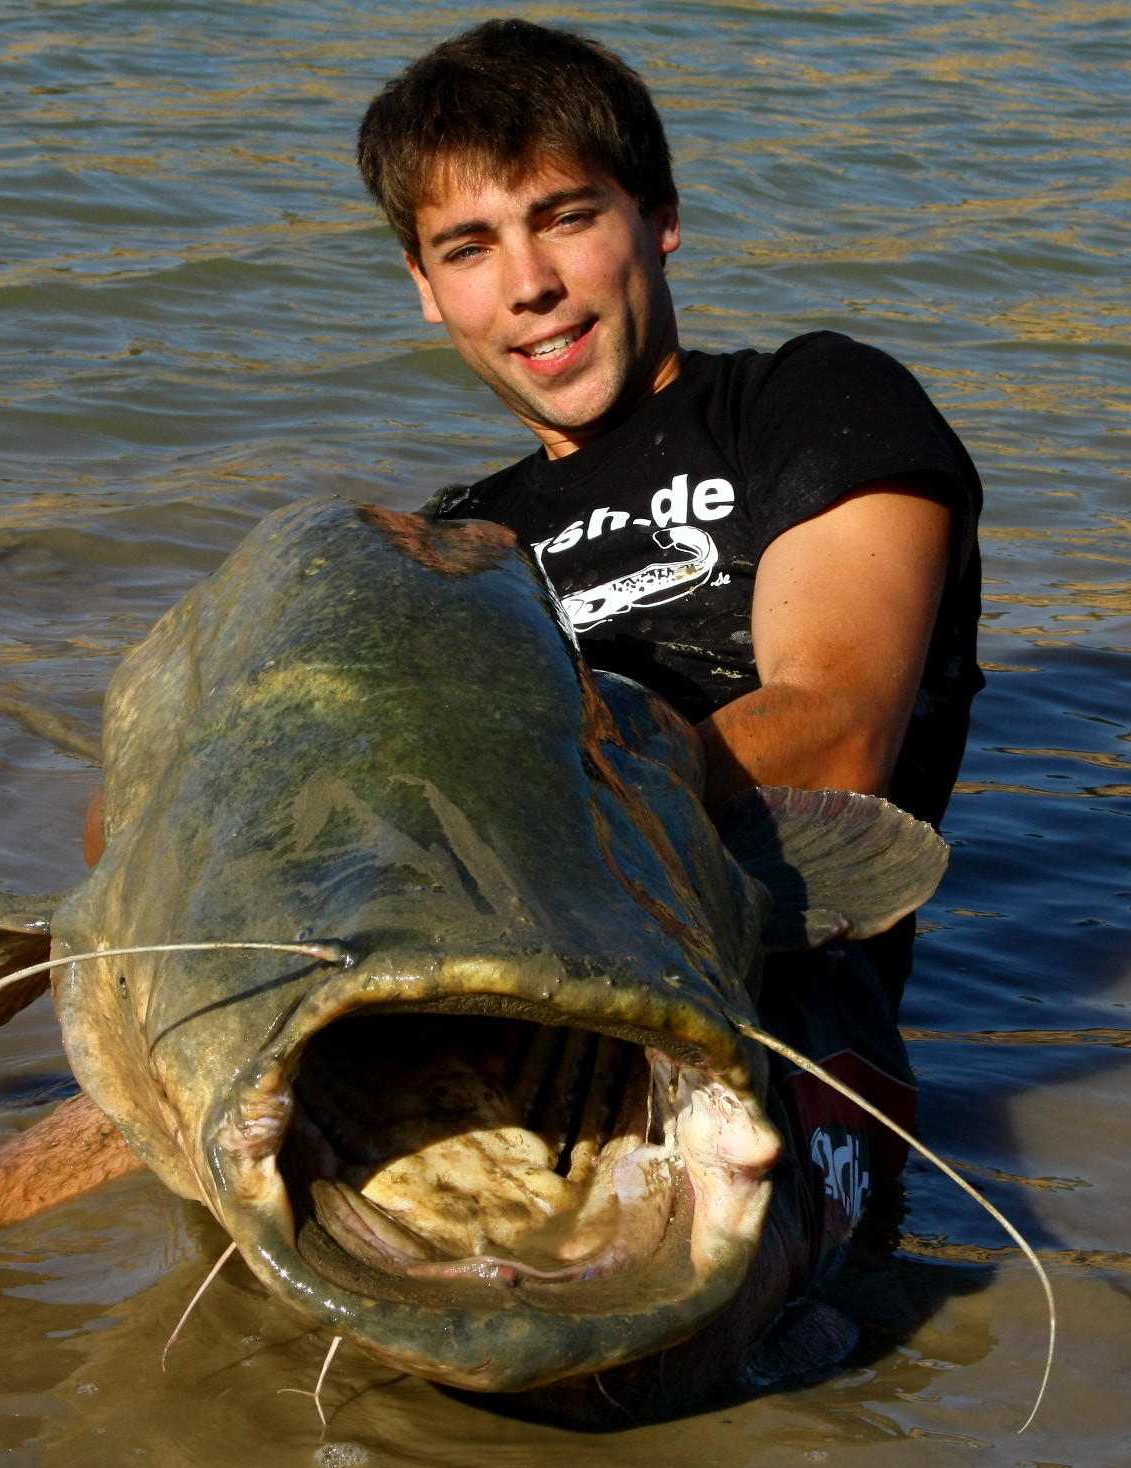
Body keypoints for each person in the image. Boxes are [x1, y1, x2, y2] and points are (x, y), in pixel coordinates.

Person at [354, 19, 982, 1015]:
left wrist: (525, 818)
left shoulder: (809, 403)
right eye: (469, 248)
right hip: (455, 995)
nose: (529, 287)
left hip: (746, 1000)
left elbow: (837, 731)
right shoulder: (447, 544)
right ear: (426, 289)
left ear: (658, 216)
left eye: (564, 219)